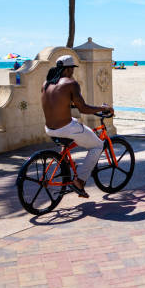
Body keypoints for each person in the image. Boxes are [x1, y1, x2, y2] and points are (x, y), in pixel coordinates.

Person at [41, 55, 114, 198]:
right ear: (68, 69)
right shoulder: (70, 83)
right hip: (66, 129)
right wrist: (102, 108)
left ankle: (65, 158)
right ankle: (79, 182)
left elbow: (57, 102)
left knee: (75, 123)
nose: (72, 72)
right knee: (97, 146)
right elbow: (84, 109)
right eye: (72, 69)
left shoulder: (46, 83)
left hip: (50, 129)